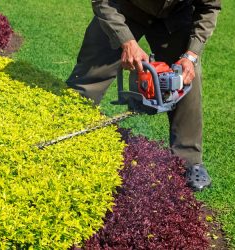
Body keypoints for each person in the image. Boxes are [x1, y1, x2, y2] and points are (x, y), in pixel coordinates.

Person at [66, 0, 221, 191]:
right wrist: (126, 40)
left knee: (185, 79)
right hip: (123, 9)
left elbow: (209, 8)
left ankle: (190, 161)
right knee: (89, 76)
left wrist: (191, 54)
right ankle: (67, 131)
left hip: (175, 16)